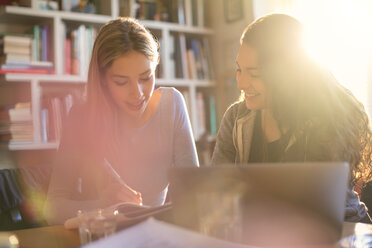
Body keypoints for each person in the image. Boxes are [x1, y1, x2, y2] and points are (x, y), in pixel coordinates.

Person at [211, 14, 372, 223]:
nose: (241, 83)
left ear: (284, 73)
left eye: (255, 74)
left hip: (340, 228)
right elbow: (215, 188)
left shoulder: (328, 117)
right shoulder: (235, 118)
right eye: (239, 70)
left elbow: (316, 206)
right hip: (268, 230)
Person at [44, 17, 199, 225]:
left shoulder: (172, 105)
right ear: (103, 81)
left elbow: (194, 196)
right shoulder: (82, 117)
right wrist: (102, 204)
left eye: (146, 78)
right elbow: (51, 209)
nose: (138, 93)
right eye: (121, 82)